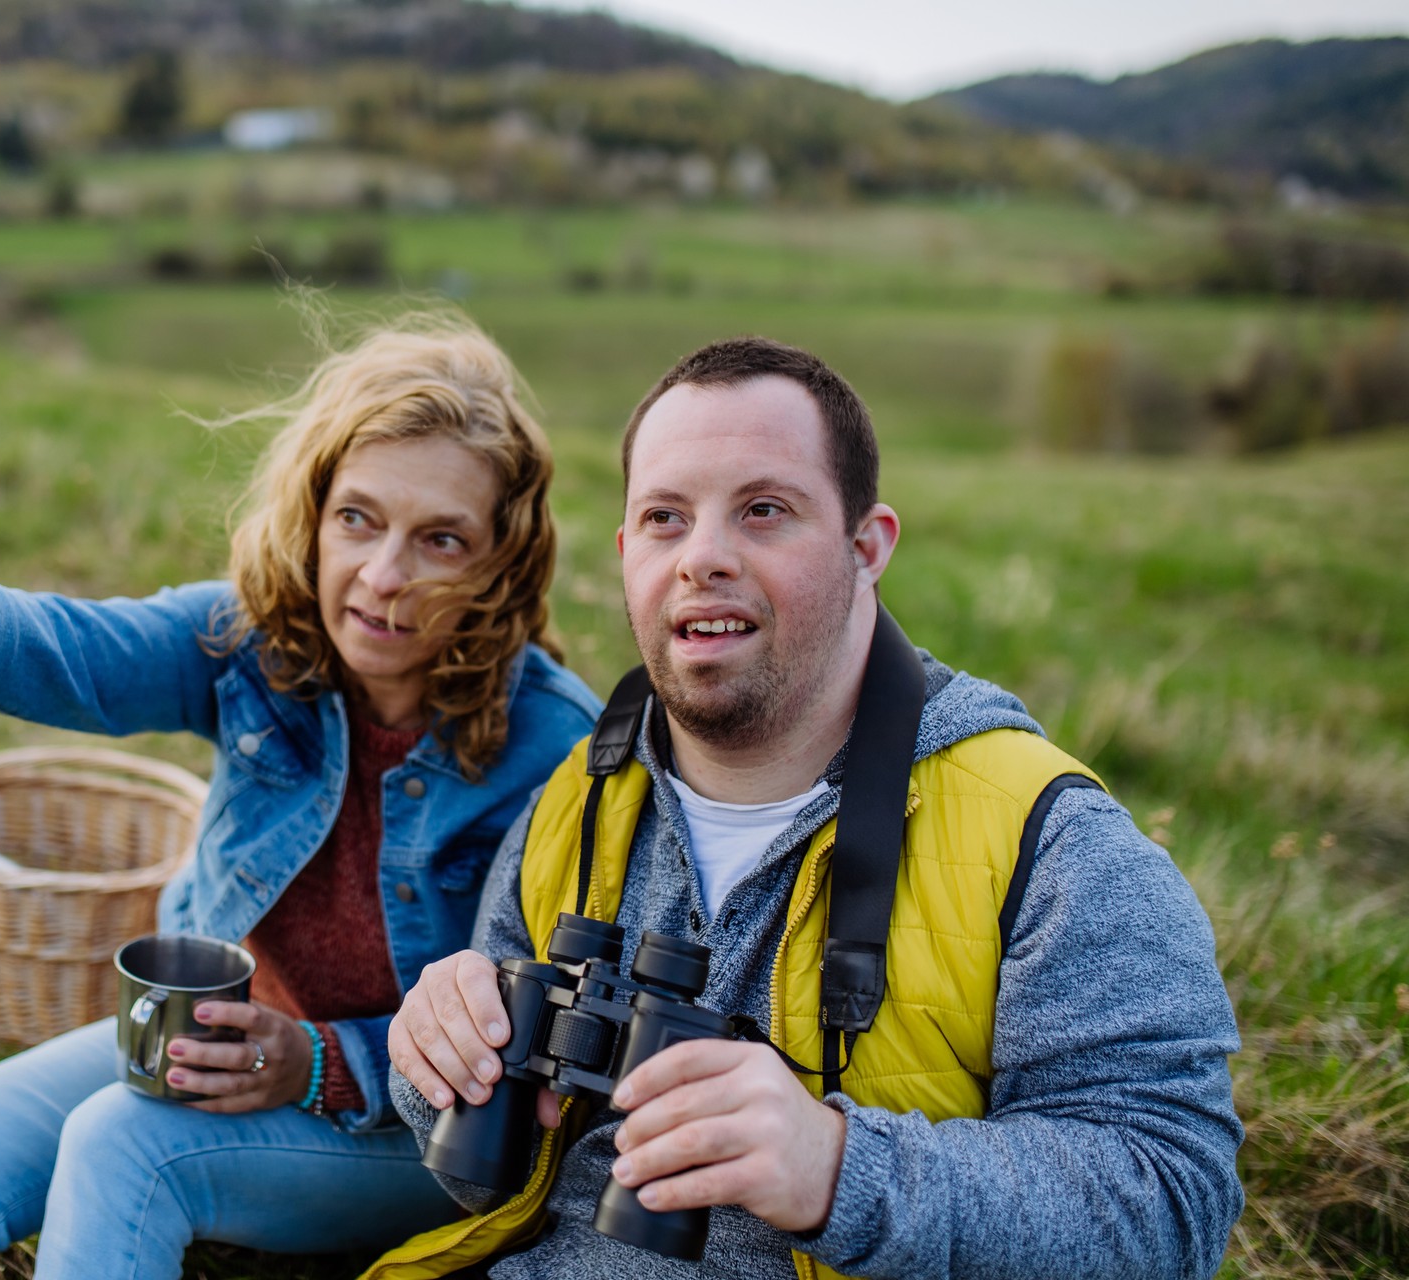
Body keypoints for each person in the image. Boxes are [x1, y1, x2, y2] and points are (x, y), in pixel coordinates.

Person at [0, 318, 604, 1280]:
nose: (383, 577)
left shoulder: (556, 748)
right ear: (315, 512)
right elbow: (70, 650)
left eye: (441, 540)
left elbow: (547, 1029)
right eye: (358, 519)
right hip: (219, 1057)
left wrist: (319, 1064)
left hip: (426, 1135)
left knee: (121, 1146)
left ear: (500, 560)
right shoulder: (256, 643)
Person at [381, 336, 1244, 1280]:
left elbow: (1173, 1205)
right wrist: (436, 1063)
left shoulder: (1046, 840)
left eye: (763, 511)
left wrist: (837, 1169)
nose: (702, 557)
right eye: (666, 518)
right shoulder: (579, 797)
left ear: (867, 547)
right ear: (628, 553)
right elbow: (487, 1185)